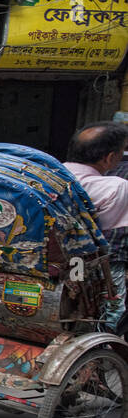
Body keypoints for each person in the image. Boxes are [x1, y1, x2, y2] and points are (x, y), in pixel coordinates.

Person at [64, 122, 128, 333]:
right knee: (114, 311)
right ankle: (107, 344)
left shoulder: (47, 177)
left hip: (49, 262)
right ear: (110, 158)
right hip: (86, 267)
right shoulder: (115, 187)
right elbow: (105, 235)